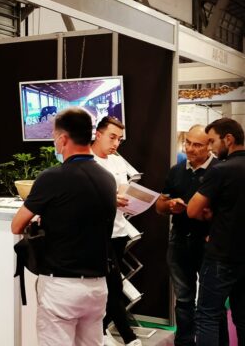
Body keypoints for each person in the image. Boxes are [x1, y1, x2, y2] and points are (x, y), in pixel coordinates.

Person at [11, 107, 117, 346]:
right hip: (97, 286)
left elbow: (17, 225)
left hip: (61, 285)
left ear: (63, 138)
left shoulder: (52, 177)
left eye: (54, 136)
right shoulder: (108, 178)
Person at [156, 125, 218, 346]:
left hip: (209, 243)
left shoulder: (220, 170)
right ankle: (184, 342)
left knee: (211, 303)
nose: (190, 148)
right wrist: (169, 205)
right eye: (188, 142)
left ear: (210, 145)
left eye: (197, 144)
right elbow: (160, 206)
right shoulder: (177, 170)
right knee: (183, 298)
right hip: (180, 239)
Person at [187, 118, 245, 345]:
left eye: (212, 141)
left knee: (207, 316)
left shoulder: (221, 170)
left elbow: (192, 210)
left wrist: (209, 215)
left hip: (222, 254)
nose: (210, 147)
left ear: (228, 139)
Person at [91, 116, 142, 346]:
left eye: (119, 139)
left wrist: (133, 201)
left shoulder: (118, 162)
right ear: (98, 134)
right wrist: (109, 200)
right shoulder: (87, 161)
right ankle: (130, 338)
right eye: (112, 137)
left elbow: (124, 192)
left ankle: (101, 331)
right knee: (112, 287)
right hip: (98, 235)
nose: (116, 143)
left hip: (120, 232)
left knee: (111, 287)